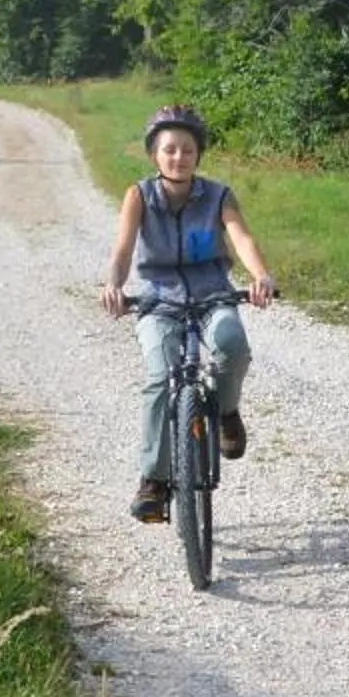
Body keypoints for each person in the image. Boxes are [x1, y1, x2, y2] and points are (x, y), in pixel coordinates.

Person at [102, 104, 279, 523]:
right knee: (160, 379)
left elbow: (242, 238)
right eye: (169, 150)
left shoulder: (218, 195)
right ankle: (153, 482)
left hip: (212, 294)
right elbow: (123, 249)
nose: (178, 157)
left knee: (231, 345)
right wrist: (113, 284)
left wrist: (261, 276)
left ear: (198, 154)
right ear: (155, 155)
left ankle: (226, 412)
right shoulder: (139, 195)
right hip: (158, 300)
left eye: (186, 149)